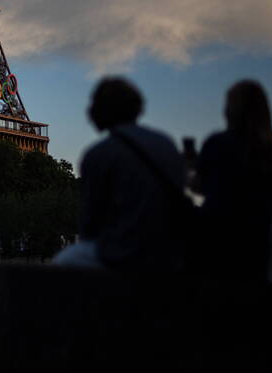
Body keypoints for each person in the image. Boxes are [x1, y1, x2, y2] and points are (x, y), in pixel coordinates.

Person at [54, 77, 185, 274]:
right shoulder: (166, 143)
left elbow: (90, 225)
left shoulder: (99, 154)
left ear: (100, 111)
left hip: (126, 254)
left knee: (64, 262)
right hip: (170, 254)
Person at [190, 80, 272, 282]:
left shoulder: (218, 142)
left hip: (218, 237)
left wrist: (186, 172)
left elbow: (202, 187)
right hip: (259, 237)